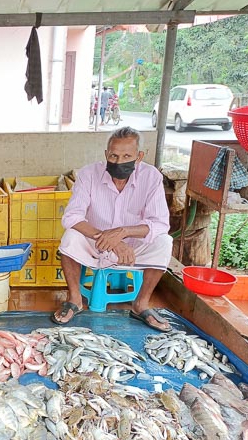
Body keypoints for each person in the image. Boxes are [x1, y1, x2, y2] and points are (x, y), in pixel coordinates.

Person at [52, 126, 173, 332]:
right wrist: (110, 240)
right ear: (106, 154)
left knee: (164, 242)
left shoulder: (151, 177)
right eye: (114, 156)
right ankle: (74, 300)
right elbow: (72, 217)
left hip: (133, 247)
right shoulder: (89, 174)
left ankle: (141, 304)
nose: (119, 162)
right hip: (94, 241)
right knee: (70, 237)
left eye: (127, 156)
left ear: (139, 156)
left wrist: (124, 233)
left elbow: (160, 223)